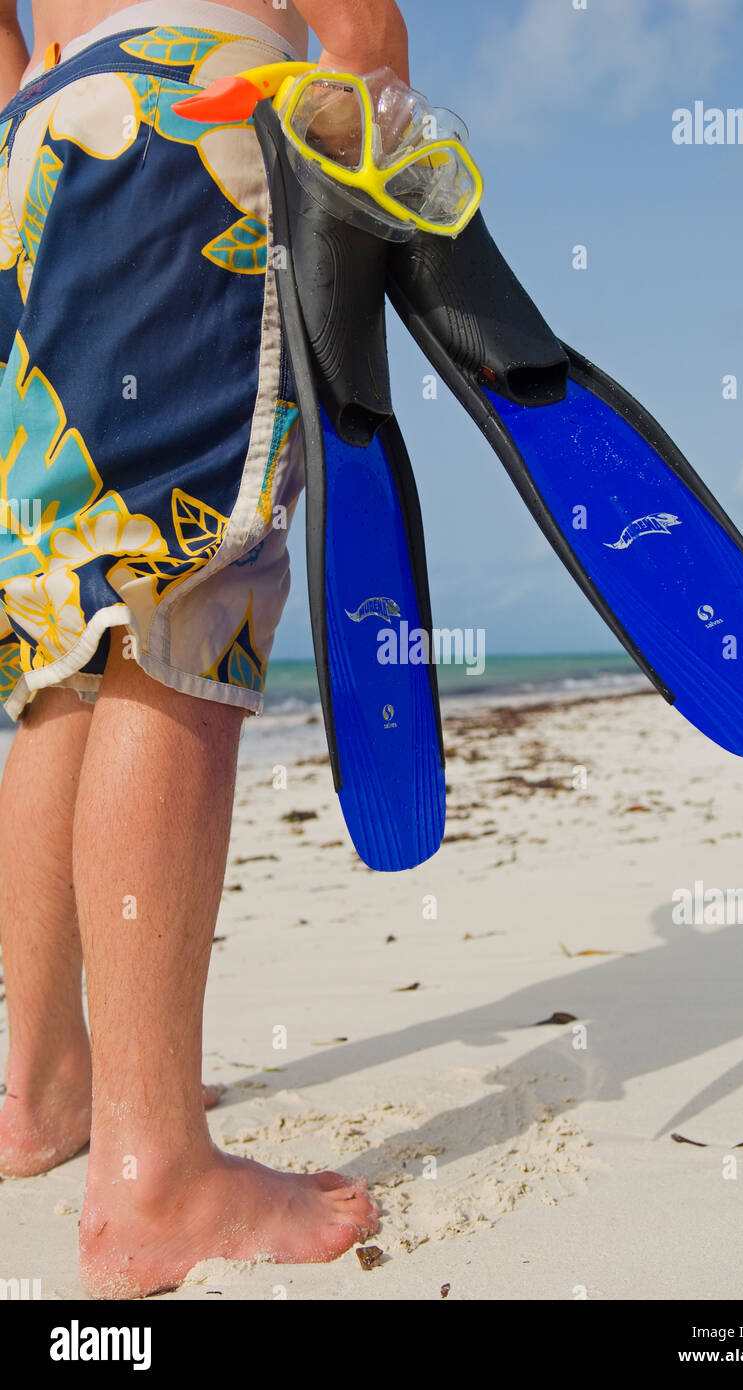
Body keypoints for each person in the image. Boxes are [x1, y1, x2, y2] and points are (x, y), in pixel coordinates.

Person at [0, 0, 402, 1298]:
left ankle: (45, 1083)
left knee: (71, 633)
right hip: (194, 110)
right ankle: (155, 1175)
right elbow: (354, 22)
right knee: (187, 607)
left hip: (40, 149)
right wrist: (373, 170)